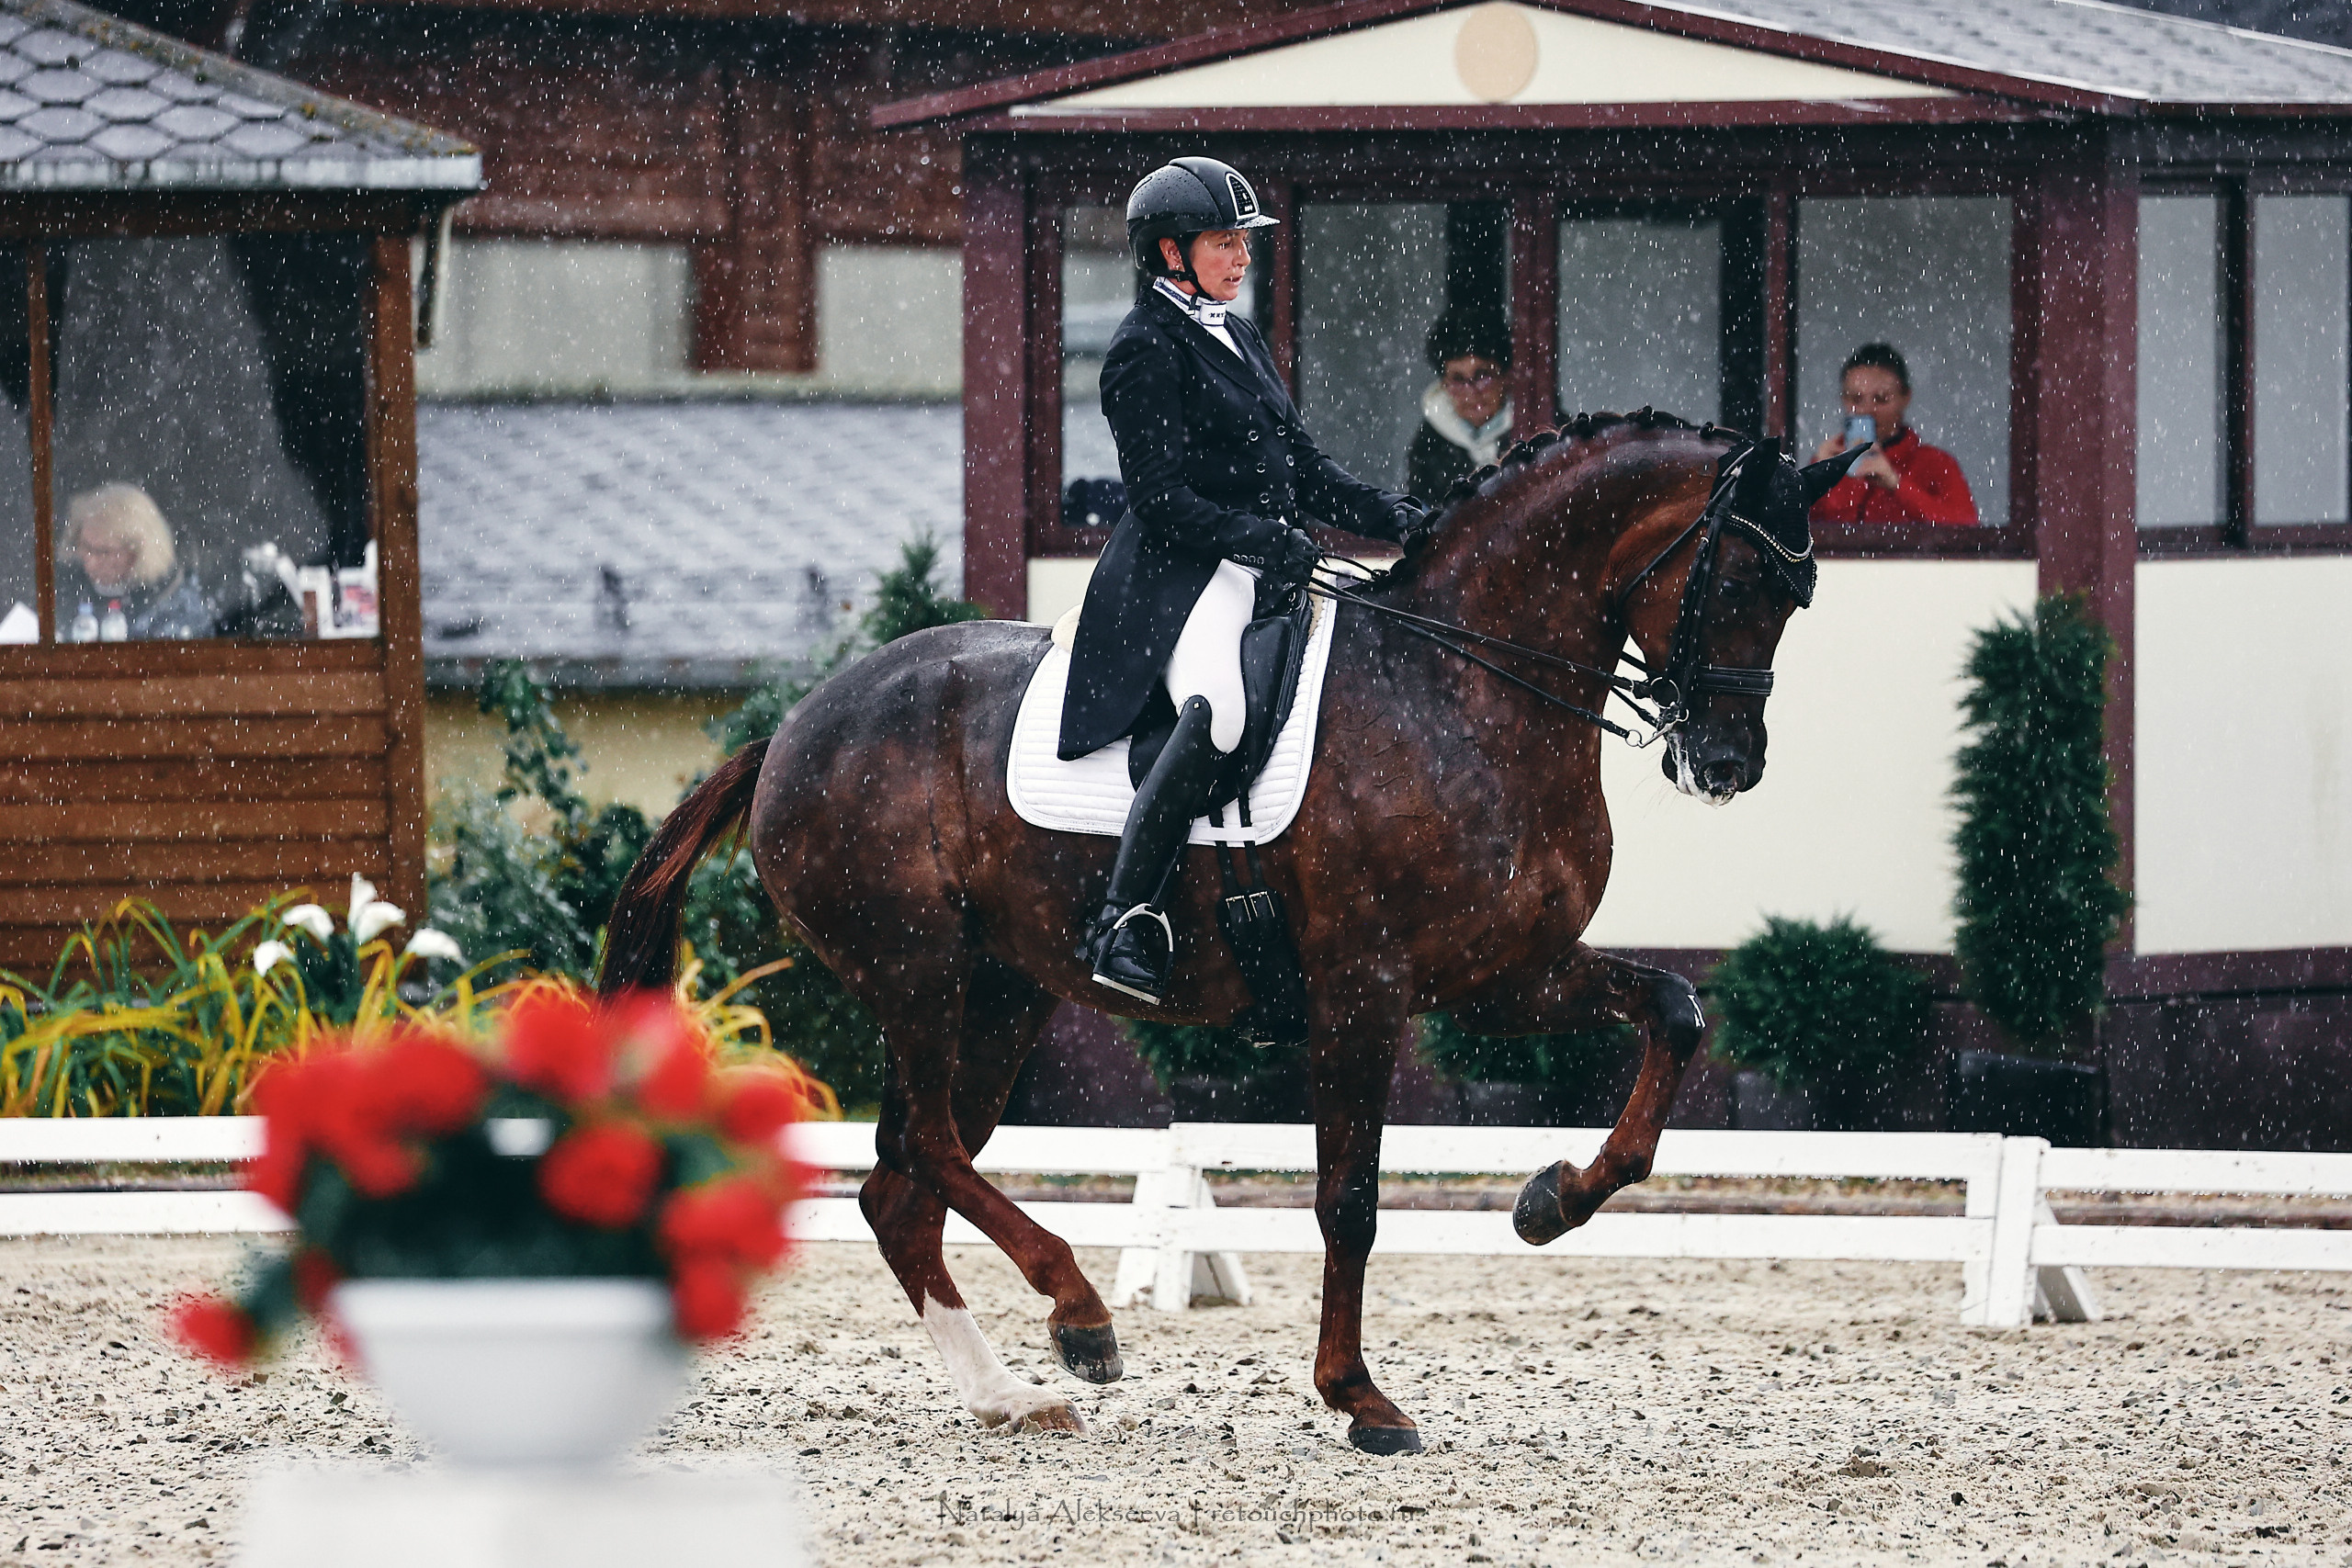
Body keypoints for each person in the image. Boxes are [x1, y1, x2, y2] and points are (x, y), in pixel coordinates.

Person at [1060, 156, 1426, 1006]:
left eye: (1243, 241)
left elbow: (1303, 468)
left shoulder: (1238, 332)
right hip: (1182, 574)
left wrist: (1397, 515)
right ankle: (1125, 919)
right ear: (1169, 252)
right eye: (1225, 242)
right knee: (1218, 712)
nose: (1242, 257)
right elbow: (1159, 500)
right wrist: (1266, 539)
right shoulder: (1141, 349)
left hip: (1261, 560)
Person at [1806, 343, 1978, 525]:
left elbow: (1967, 532)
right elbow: (1786, 535)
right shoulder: (1828, 463)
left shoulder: (1936, 464)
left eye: (1881, 399)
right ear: (1843, 400)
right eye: (1856, 399)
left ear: (1905, 398)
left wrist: (1898, 485)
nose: (1867, 410)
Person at [57, 483, 215, 640]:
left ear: (136, 554)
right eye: (85, 546)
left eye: (103, 552)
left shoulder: (177, 612)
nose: (89, 561)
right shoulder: (63, 590)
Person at [1407, 307, 1513, 503]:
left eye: (1482, 376)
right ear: (1444, 386)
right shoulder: (1429, 447)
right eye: (1458, 379)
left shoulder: (1540, 427)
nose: (1471, 391)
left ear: (1505, 376)